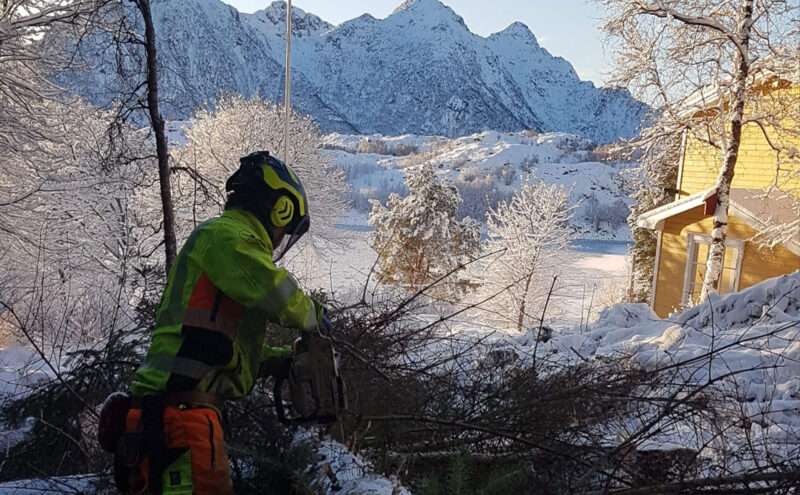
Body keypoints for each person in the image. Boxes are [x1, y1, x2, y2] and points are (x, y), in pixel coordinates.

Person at [119, 151, 325, 495]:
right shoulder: (228, 237)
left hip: (166, 413)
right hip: (182, 417)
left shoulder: (218, 242)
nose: (279, 239)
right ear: (279, 208)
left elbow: (211, 343)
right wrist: (316, 317)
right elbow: (279, 296)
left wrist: (275, 360)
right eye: (284, 228)